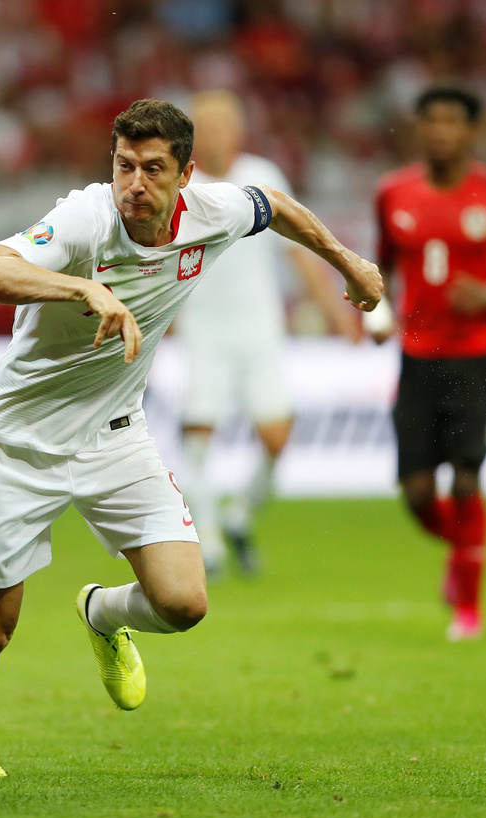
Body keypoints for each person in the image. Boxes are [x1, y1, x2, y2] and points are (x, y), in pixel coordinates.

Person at [0, 98, 382, 777]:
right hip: (20, 444)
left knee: (183, 604)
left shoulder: (213, 211)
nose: (134, 184)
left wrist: (348, 262)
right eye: (123, 166)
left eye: (151, 169)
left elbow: (275, 205)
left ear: (186, 175)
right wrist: (83, 291)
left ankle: (102, 613)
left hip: (116, 438)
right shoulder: (85, 219)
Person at [368, 86, 486, 641]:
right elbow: (380, 266)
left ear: (471, 131)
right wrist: (378, 312)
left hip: (477, 354)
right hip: (417, 356)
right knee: (418, 494)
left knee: (466, 480)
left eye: (452, 121)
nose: (440, 130)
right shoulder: (392, 192)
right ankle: (466, 548)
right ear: (418, 128)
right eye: (431, 120)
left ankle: (468, 606)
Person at [177, 90, 363, 577]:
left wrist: (336, 309)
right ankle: (208, 542)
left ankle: (239, 514)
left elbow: (299, 248)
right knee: (199, 433)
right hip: (204, 329)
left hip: (259, 328)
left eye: (222, 126)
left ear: (238, 131)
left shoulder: (262, 177)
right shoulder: (180, 186)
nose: (214, 136)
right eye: (205, 128)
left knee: (277, 438)